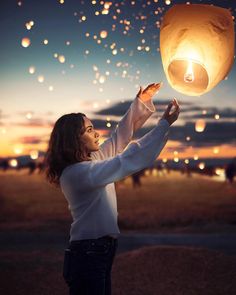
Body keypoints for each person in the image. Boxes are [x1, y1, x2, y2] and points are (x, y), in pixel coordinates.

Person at [44, 82, 180, 295]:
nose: (97, 134)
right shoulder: (77, 173)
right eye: (89, 130)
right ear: (74, 140)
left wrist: (141, 103)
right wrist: (163, 124)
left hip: (97, 250)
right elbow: (125, 160)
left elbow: (119, 139)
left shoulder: (89, 163)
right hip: (89, 252)